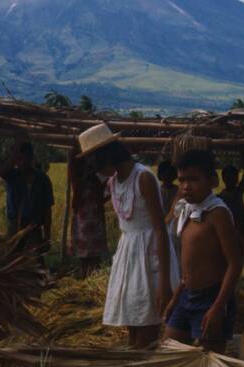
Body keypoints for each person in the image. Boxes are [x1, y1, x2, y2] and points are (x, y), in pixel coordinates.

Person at [79, 123, 172, 349]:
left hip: (150, 256)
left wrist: (165, 282)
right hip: (128, 257)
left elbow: (160, 229)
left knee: (146, 333)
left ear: (109, 155)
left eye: (98, 163)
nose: (97, 169)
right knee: (133, 326)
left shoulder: (144, 178)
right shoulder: (114, 181)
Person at [165, 149, 242, 353]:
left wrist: (217, 307)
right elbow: (188, 265)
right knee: (170, 353)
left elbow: (235, 264)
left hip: (211, 297)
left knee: (210, 358)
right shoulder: (188, 211)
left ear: (213, 181)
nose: (186, 186)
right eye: (181, 180)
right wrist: (175, 298)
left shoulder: (218, 213)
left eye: (194, 179)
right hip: (186, 295)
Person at [1, 141, 55, 256]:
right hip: (15, 227)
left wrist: (47, 236)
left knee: (35, 262)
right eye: (18, 159)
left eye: (25, 158)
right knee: (11, 262)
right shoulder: (11, 176)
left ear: (31, 158)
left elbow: (47, 209)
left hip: (34, 228)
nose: (22, 162)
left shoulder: (42, 179)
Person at [69, 144, 109, 276]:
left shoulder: (93, 181)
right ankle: (89, 278)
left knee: (90, 256)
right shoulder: (83, 182)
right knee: (88, 256)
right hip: (86, 218)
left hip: (89, 218)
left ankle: (91, 278)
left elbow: (105, 193)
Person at [218, 152, 244, 259]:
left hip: (241, 224)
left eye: (234, 177)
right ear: (223, 179)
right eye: (229, 177)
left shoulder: (238, 191)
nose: (232, 179)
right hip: (230, 225)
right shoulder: (220, 197)